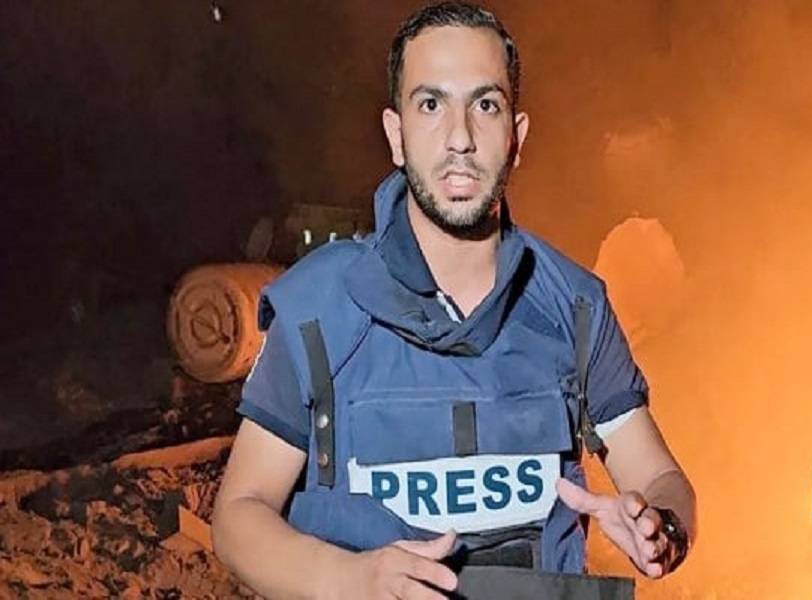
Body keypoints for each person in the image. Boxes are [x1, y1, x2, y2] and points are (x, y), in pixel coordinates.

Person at [211, 3, 696, 598]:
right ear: (396, 135)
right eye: (431, 104)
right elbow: (238, 515)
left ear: (516, 138)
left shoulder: (574, 307)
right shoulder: (319, 311)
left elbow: (662, 478)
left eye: (485, 105)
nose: (460, 137)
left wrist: (661, 528)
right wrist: (351, 579)